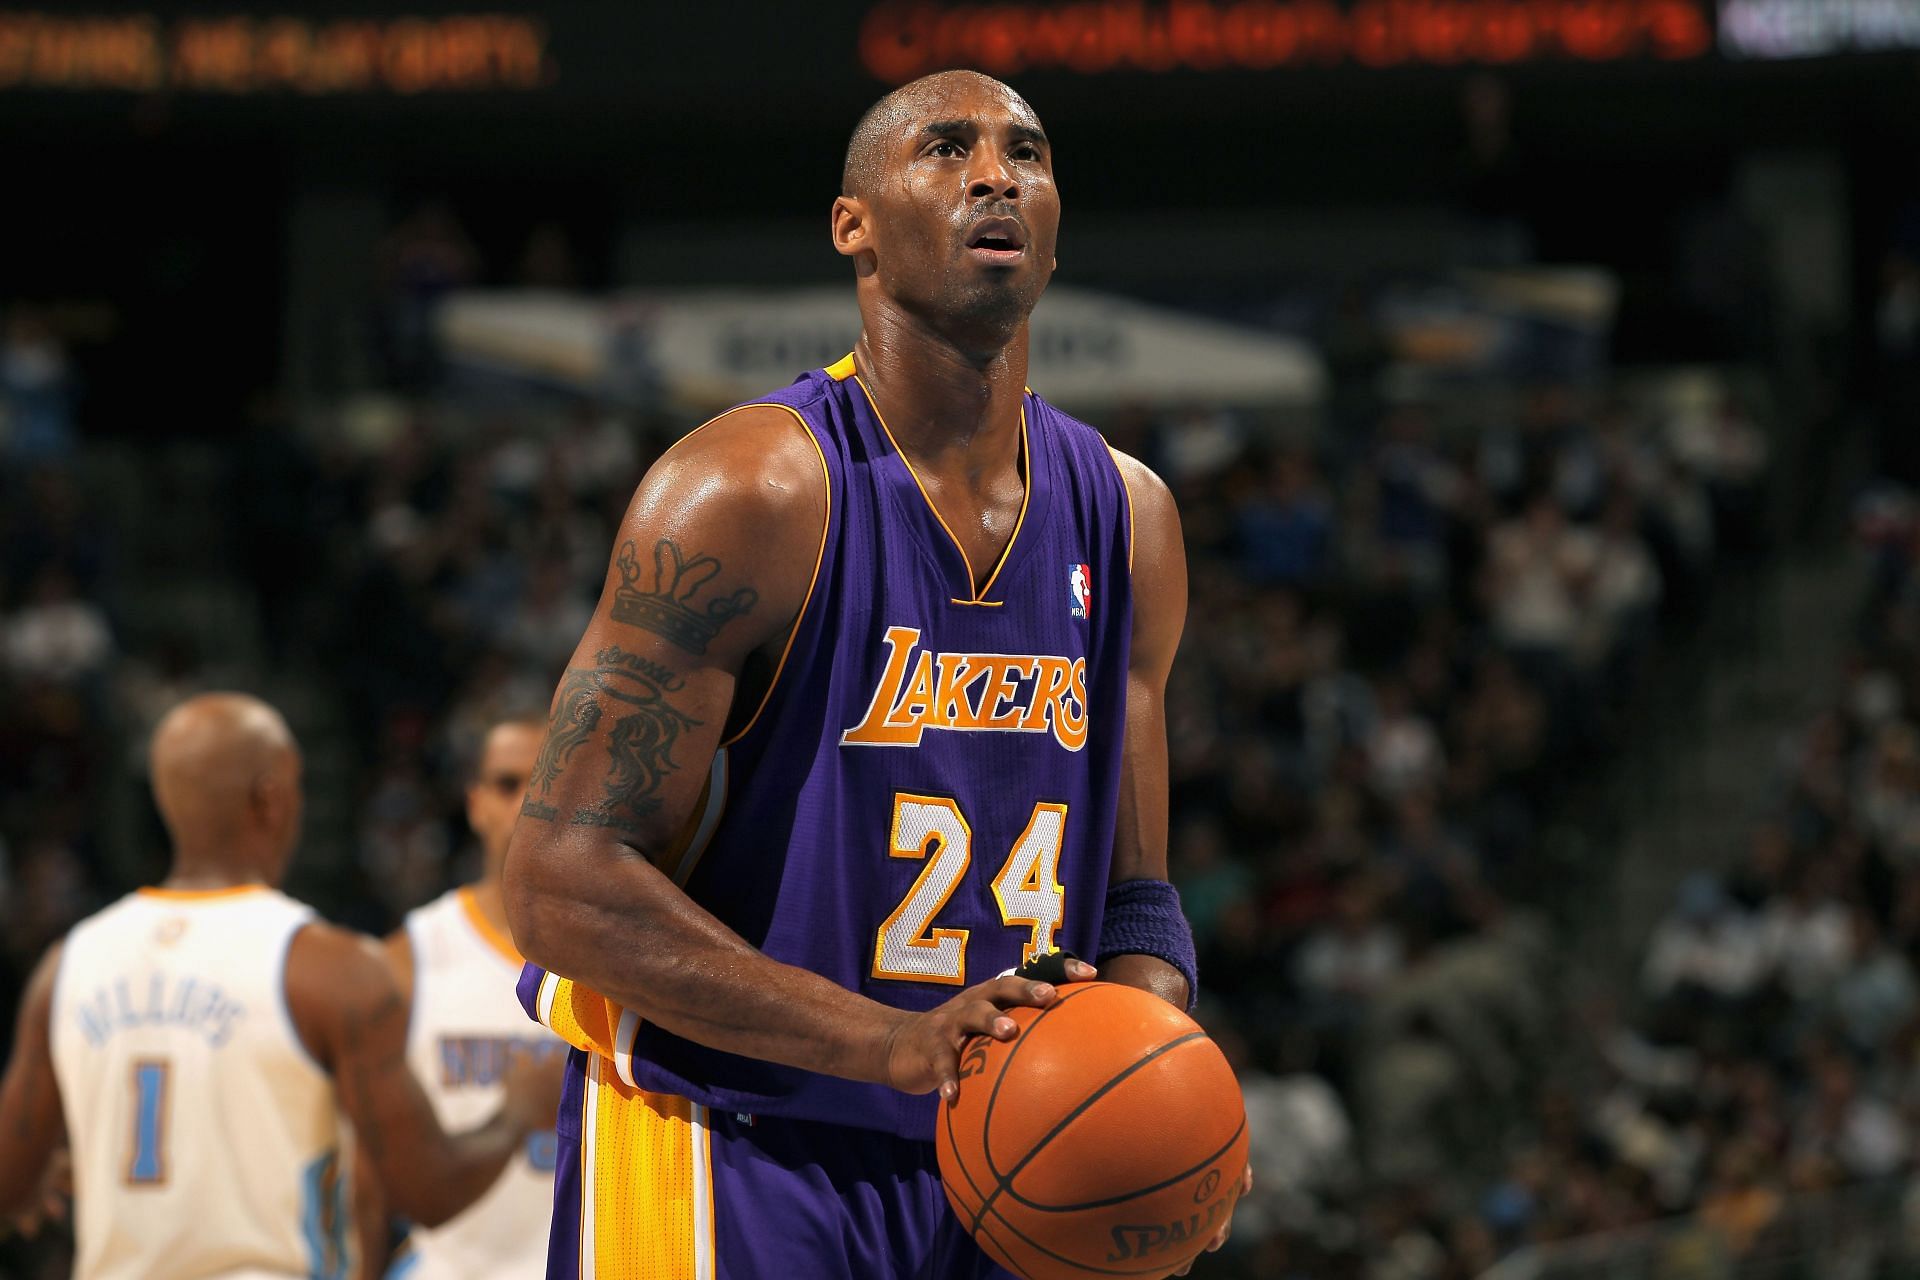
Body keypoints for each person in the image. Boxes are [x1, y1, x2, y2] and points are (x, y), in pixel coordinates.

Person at [503, 71, 1249, 1278]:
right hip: (729, 1141)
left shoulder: (1129, 517)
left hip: (998, 1165)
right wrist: (892, 1044)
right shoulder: (748, 489)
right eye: (947, 149)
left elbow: (1136, 901)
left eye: (1028, 153)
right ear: (853, 223)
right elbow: (558, 882)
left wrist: (1152, 1067)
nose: (997, 174)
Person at [0, 693, 560, 1280]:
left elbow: (11, 1187)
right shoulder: (330, 967)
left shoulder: (67, 965)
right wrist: (517, 1111)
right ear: (272, 800)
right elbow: (428, 1191)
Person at [362, 715, 563, 1278]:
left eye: (547, 780)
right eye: (507, 784)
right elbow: (369, 1168)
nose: (527, 801)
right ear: (475, 803)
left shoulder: (622, 957)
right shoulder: (408, 958)